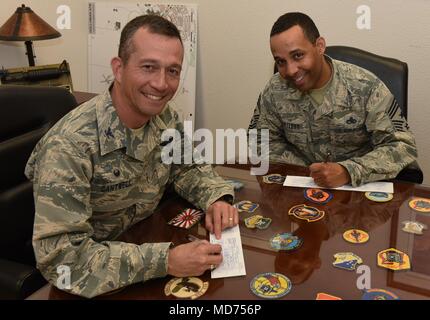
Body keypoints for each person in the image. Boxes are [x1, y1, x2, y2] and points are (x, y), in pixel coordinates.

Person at [25, 15, 239, 298]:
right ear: (119, 68)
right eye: (149, 67)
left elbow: (187, 168)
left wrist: (216, 197)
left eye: (173, 71)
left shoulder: (164, 116)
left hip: (144, 243)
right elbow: (63, 260)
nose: (162, 84)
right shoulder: (69, 145)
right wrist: (166, 260)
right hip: (94, 281)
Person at [249, 12, 420, 188]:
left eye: (298, 55)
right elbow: (259, 140)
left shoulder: (365, 87)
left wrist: (349, 171)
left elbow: (402, 146)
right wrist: (307, 171)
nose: (291, 70)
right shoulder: (275, 89)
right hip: (301, 190)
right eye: (280, 61)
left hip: (360, 194)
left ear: (320, 46)